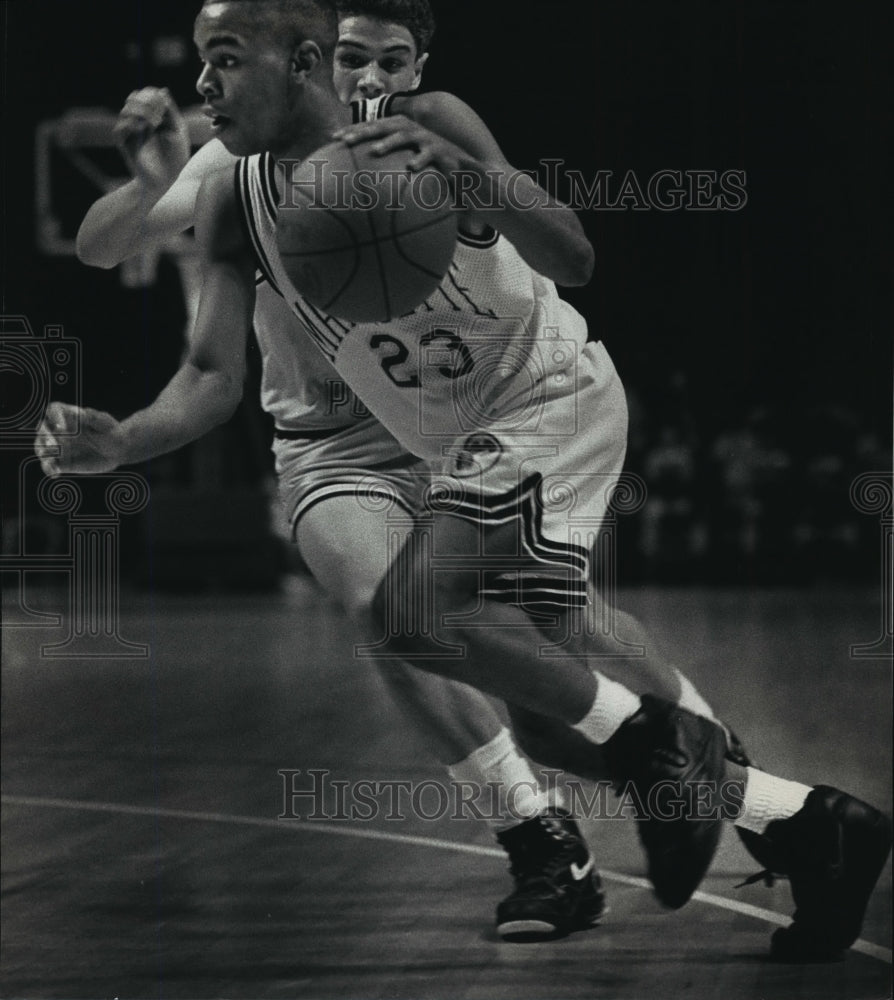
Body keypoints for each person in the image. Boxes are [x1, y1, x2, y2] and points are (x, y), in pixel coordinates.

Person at [39, 0, 890, 960]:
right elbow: (205, 375)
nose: (201, 84)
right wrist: (122, 441)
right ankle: (813, 823)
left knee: (421, 616)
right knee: (543, 719)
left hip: (545, 398)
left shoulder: (426, 125)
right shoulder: (235, 192)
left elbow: (576, 254)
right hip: (429, 438)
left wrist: (477, 180)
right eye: (202, 61)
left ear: (306, 62)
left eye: (223, 60)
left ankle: (661, 748)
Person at [71, 0, 611, 943]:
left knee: (551, 687)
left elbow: (559, 252)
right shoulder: (233, 162)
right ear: (318, 58)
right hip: (334, 441)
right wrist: (151, 179)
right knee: (388, 610)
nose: (372, 81)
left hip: (464, 425)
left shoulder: (413, 140)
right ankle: (538, 834)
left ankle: (730, 790)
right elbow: (104, 247)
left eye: (390, 61)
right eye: (357, 58)